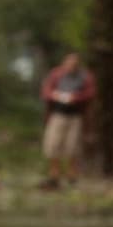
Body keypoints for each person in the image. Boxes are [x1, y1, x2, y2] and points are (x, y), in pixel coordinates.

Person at [39, 52, 96, 187]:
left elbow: (90, 93)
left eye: (74, 64)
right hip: (58, 114)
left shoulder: (85, 76)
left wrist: (75, 98)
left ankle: (72, 175)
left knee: (73, 147)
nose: (72, 66)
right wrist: (55, 95)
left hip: (75, 116)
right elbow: (46, 91)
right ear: (64, 63)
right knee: (53, 145)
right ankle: (54, 175)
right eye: (69, 63)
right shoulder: (56, 74)